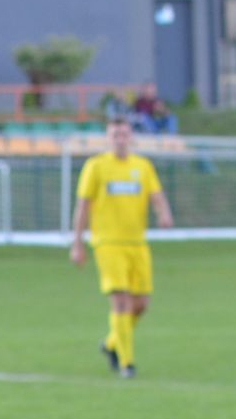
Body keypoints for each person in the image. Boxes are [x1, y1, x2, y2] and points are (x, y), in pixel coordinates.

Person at [69, 115, 174, 379]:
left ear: (131, 138)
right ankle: (126, 363)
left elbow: (156, 195)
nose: (120, 140)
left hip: (137, 244)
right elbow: (83, 206)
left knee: (141, 304)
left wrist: (163, 213)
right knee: (120, 302)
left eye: (124, 134)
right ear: (108, 138)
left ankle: (111, 343)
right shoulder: (96, 167)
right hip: (107, 243)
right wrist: (77, 243)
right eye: (115, 135)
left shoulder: (142, 166)